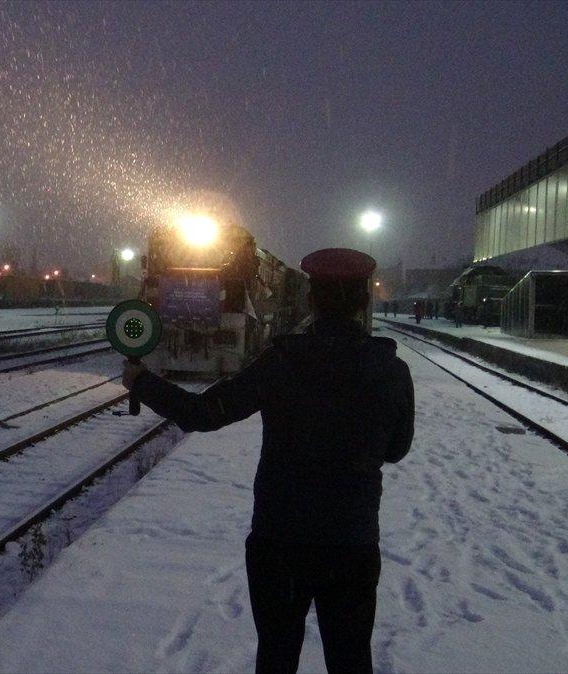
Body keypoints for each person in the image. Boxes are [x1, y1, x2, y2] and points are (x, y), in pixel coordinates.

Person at [123, 248, 415, 674]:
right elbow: (396, 450)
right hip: (350, 543)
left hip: (279, 543)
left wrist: (142, 381)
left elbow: (204, 415)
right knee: (351, 659)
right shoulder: (391, 370)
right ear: (364, 300)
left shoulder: (281, 361)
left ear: (311, 299)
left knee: (276, 656)